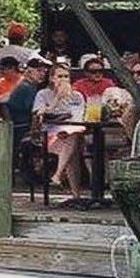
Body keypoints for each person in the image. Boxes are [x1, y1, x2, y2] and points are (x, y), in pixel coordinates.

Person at [33, 62, 87, 206]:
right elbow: (40, 116)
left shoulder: (77, 96)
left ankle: (59, 175)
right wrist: (57, 98)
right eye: (59, 76)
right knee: (72, 150)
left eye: (66, 76)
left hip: (71, 132)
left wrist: (66, 128)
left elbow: (78, 118)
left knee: (73, 139)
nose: (63, 79)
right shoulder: (43, 94)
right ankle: (75, 194)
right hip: (49, 135)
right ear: (51, 78)